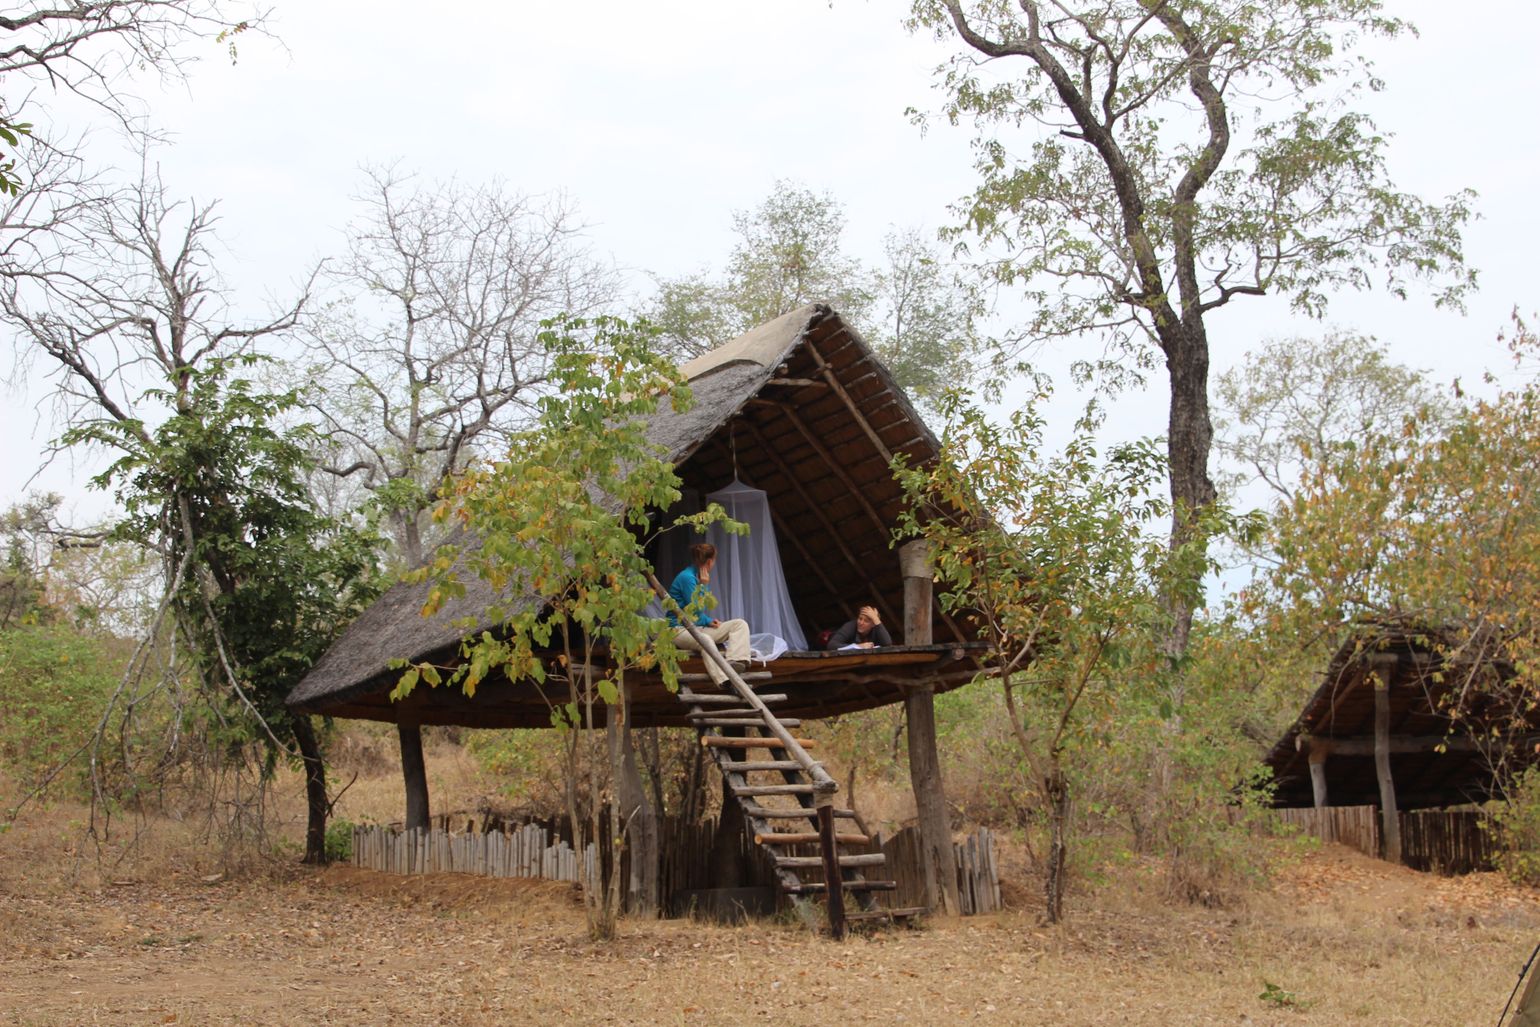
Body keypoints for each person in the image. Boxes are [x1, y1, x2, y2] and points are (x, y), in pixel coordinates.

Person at [667, 542, 751, 684]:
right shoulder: (687, 578)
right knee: (706, 640)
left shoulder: (696, 575)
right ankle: (725, 680)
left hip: (695, 628)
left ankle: (735, 661)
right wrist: (703, 585)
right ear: (710, 561)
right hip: (678, 630)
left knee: (739, 624)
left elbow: (697, 616)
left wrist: (708, 621)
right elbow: (694, 611)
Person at [826, 605, 893, 650]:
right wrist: (858, 646)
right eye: (860, 618)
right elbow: (831, 645)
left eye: (866, 621)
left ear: (873, 624)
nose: (861, 623)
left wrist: (876, 619)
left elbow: (887, 644)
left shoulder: (876, 628)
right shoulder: (851, 626)